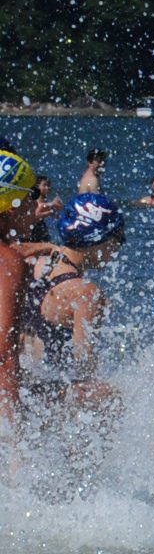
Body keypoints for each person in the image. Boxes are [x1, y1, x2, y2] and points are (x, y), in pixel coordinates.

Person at [16, 194, 125, 413]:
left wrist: (46, 245)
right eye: (118, 238)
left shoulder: (34, 263)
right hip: (40, 398)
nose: (120, 246)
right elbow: (84, 361)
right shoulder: (86, 293)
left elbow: (10, 248)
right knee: (111, 397)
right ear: (98, 239)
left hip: (17, 386)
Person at [0, 149, 39, 425]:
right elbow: (3, 353)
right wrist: (17, 440)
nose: (36, 206)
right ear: (13, 206)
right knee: (103, 396)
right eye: (32, 196)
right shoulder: (8, 261)